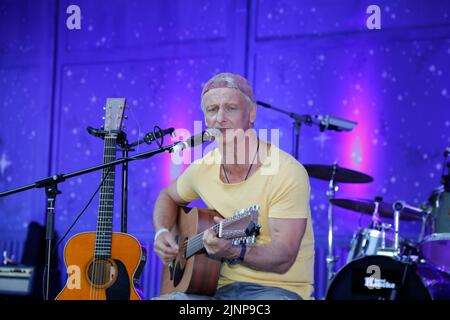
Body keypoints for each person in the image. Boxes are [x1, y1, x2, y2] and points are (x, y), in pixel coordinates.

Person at [153, 72, 315, 300]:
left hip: (276, 291)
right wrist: (162, 231)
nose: (220, 118)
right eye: (212, 110)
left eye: (230, 108)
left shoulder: (286, 171)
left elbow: (284, 256)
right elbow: (167, 196)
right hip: (212, 290)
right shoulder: (202, 168)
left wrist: (234, 250)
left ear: (252, 114)